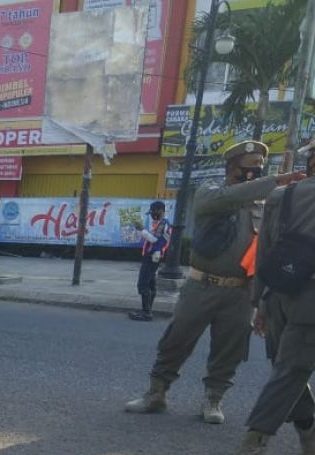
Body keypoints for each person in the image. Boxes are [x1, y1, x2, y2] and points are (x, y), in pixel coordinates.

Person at [125, 141, 306, 424]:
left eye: (259, 165)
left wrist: (261, 300)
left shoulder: (264, 206)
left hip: (239, 291)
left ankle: (213, 399)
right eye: (249, 165)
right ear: (232, 167)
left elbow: (266, 251)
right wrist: (276, 181)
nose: (255, 170)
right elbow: (226, 199)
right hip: (201, 285)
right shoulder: (210, 193)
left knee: (230, 349)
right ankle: (156, 393)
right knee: (176, 339)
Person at [234, 141, 315, 455]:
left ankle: (310, 439)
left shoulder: (283, 195)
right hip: (310, 302)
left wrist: (260, 302)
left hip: (278, 293)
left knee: (288, 369)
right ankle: (254, 446)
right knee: (291, 371)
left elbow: (265, 251)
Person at [128, 200, 171, 321]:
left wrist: (141, 230)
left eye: (154, 211)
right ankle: (147, 311)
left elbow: (154, 240)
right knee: (151, 283)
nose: (152, 214)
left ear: (161, 211)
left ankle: (146, 313)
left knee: (143, 284)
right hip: (153, 257)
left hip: (152, 257)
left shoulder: (163, 224)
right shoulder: (159, 223)